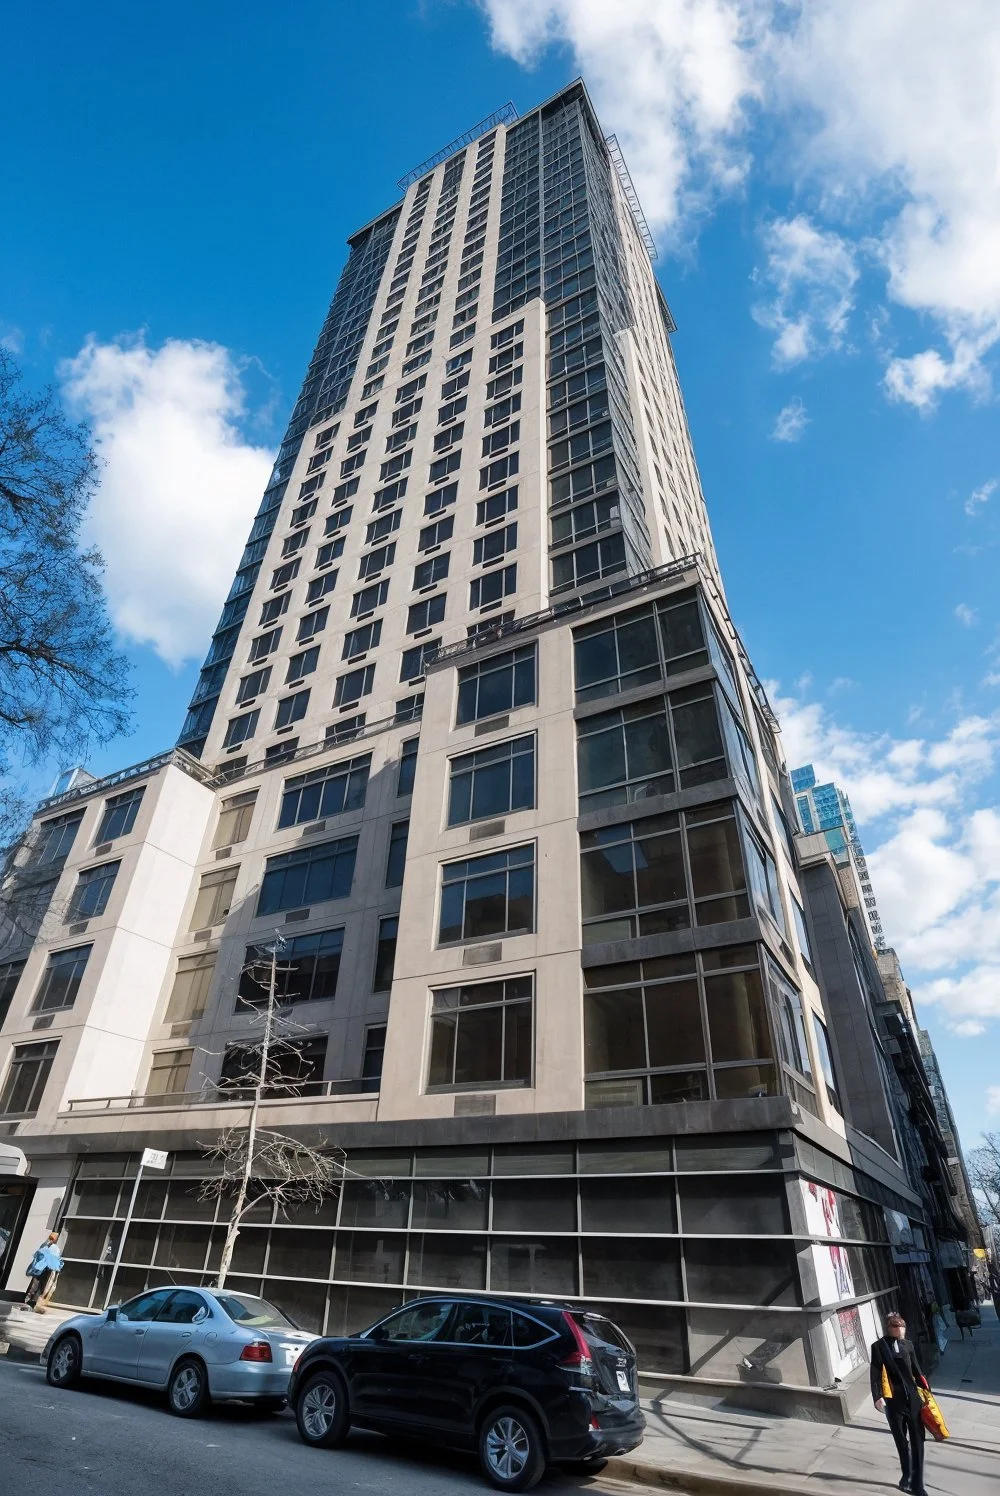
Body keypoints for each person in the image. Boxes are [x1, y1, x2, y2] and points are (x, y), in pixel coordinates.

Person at [870, 1312, 929, 1496]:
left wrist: (928, 1395)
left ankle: (918, 1485)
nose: (902, 1329)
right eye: (898, 1326)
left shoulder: (909, 1345)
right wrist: (877, 1396)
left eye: (903, 1326)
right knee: (902, 1442)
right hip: (893, 1402)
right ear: (890, 1328)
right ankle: (906, 1476)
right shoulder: (879, 1347)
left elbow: (917, 1371)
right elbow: (876, 1371)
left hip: (913, 1400)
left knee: (918, 1442)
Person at [24, 1232, 64, 1311]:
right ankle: (33, 1302)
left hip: (43, 1269)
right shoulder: (53, 1247)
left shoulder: (46, 1245)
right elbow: (56, 1260)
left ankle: (31, 1301)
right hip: (48, 1270)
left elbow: (38, 1256)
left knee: (37, 1286)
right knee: (42, 1287)